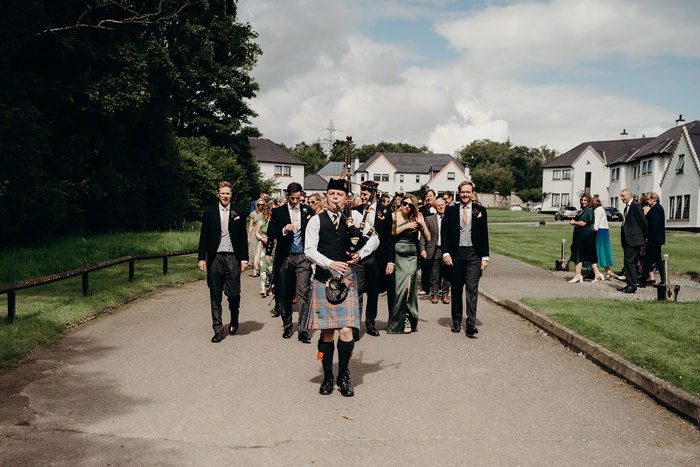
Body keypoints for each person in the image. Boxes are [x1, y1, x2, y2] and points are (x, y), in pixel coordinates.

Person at [303, 178, 378, 397]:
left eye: (340, 194)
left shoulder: (354, 217)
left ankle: (344, 375)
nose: (335, 198)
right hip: (324, 278)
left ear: (347, 198)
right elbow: (309, 249)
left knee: (346, 330)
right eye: (332, 194)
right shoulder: (316, 221)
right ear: (326, 196)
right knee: (327, 331)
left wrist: (359, 254)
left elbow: (375, 239)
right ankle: (328, 376)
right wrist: (329, 263)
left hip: (347, 278)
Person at [197, 181, 249, 343]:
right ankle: (218, 329)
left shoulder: (238, 212)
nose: (225, 196)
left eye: (228, 193)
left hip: (233, 257)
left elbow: (242, 237)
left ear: (231, 194)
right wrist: (201, 258)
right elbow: (204, 236)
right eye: (222, 193)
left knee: (233, 293)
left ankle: (234, 318)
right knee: (215, 295)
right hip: (215, 258)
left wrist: (244, 259)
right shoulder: (210, 213)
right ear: (218, 194)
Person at [267, 182, 314, 342]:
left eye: (298, 198)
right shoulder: (278, 212)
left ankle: (302, 328)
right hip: (285, 256)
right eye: (292, 198)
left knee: (303, 292)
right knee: (285, 293)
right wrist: (283, 230)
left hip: (302, 257)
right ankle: (287, 325)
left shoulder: (308, 211)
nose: (295, 201)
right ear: (287, 195)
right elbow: (270, 232)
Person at [441, 180, 489, 337]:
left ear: (472, 193)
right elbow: (445, 234)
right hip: (456, 254)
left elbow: (484, 235)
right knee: (456, 289)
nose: (465, 194)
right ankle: (456, 322)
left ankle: (470, 324)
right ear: (459, 193)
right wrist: (446, 253)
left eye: (468, 192)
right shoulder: (450, 210)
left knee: (471, 289)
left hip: (474, 254)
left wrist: (485, 257)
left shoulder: (479, 210)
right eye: (463, 192)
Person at [352, 181, 394, 340]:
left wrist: (391, 260)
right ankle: (355, 325)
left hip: (378, 258)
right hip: (359, 258)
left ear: (373, 194)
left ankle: (370, 323)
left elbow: (390, 238)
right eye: (361, 193)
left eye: (365, 194)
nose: (362, 197)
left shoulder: (385, 211)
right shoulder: (355, 210)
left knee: (374, 293)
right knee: (357, 292)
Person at [387, 194, 430, 334]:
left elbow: (428, 237)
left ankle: (408, 319)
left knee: (409, 288)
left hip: (412, 256)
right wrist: (406, 226)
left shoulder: (416, 217)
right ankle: (396, 322)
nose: (407, 207)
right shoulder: (394, 216)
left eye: (410, 205)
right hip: (398, 256)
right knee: (399, 290)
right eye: (405, 203)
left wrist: (422, 225)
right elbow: (390, 233)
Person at [618, 189, 648, 293]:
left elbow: (643, 222)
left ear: (630, 195)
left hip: (634, 239)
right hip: (627, 239)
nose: (621, 198)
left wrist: (646, 236)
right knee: (630, 262)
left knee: (628, 261)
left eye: (623, 196)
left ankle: (632, 285)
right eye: (621, 196)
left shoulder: (636, 206)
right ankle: (630, 284)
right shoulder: (627, 208)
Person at [568, 195, 603, 283]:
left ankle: (582, 275)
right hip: (580, 235)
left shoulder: (589, 210)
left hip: (586, 236)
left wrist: (573, 222)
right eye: (582, 200)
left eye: (585, 200)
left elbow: (583, 223)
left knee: (585, 254)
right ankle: (581, 274)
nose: (583, 201)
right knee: (581, 254)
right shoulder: (582, 211)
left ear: (589, 201)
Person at [420, 197, 450, 304]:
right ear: (435, 207)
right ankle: (435, 294)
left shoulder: (450, 218)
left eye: (442, 204)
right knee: (434, 274)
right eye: (438, 205)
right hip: (434, 249)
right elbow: (423, 236)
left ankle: (445, 295)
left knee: (447, 273)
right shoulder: (429, 219)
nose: (441, 207)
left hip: (448, 250)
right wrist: (422, 249)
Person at [639, 192, 666, 287]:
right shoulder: (658, 207)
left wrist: (648, 237)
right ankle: (663, 279)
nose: (647, 200)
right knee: (657, 259)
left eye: (648, 198)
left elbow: (654, 225)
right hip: (657, 239)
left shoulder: (655, 209)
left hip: (654, 239)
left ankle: (642, 281)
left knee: (647, 260)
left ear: (654, 199)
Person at [592, 198, 614, 280]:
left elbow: (596, 222)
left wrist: (593, 231)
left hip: (599, 231)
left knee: (597, 251)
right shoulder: (601, 209)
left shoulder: (598, 210)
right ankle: (607, 271)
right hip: (603, 230)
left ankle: (597, 272)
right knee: (601, 251)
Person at [255, 201, 275, 296]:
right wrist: (262, 238)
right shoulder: (262, 220)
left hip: (274, 246)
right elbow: (256, 233)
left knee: (271, 269)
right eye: (272, 210)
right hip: (264, 246)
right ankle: (263, 287)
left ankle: (270, 287)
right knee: (263, 267)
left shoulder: (276, 220)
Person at [248, 200, 265, 277]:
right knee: (254, 251)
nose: (261, 206)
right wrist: (248, 237)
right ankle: (254, 270)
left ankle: (260, 268)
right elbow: (250, 226)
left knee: (261, 251)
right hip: (254, 233)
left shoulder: (265, 213)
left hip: (262, 232)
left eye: (262, 204)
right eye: (259, 205)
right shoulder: (253, 213)